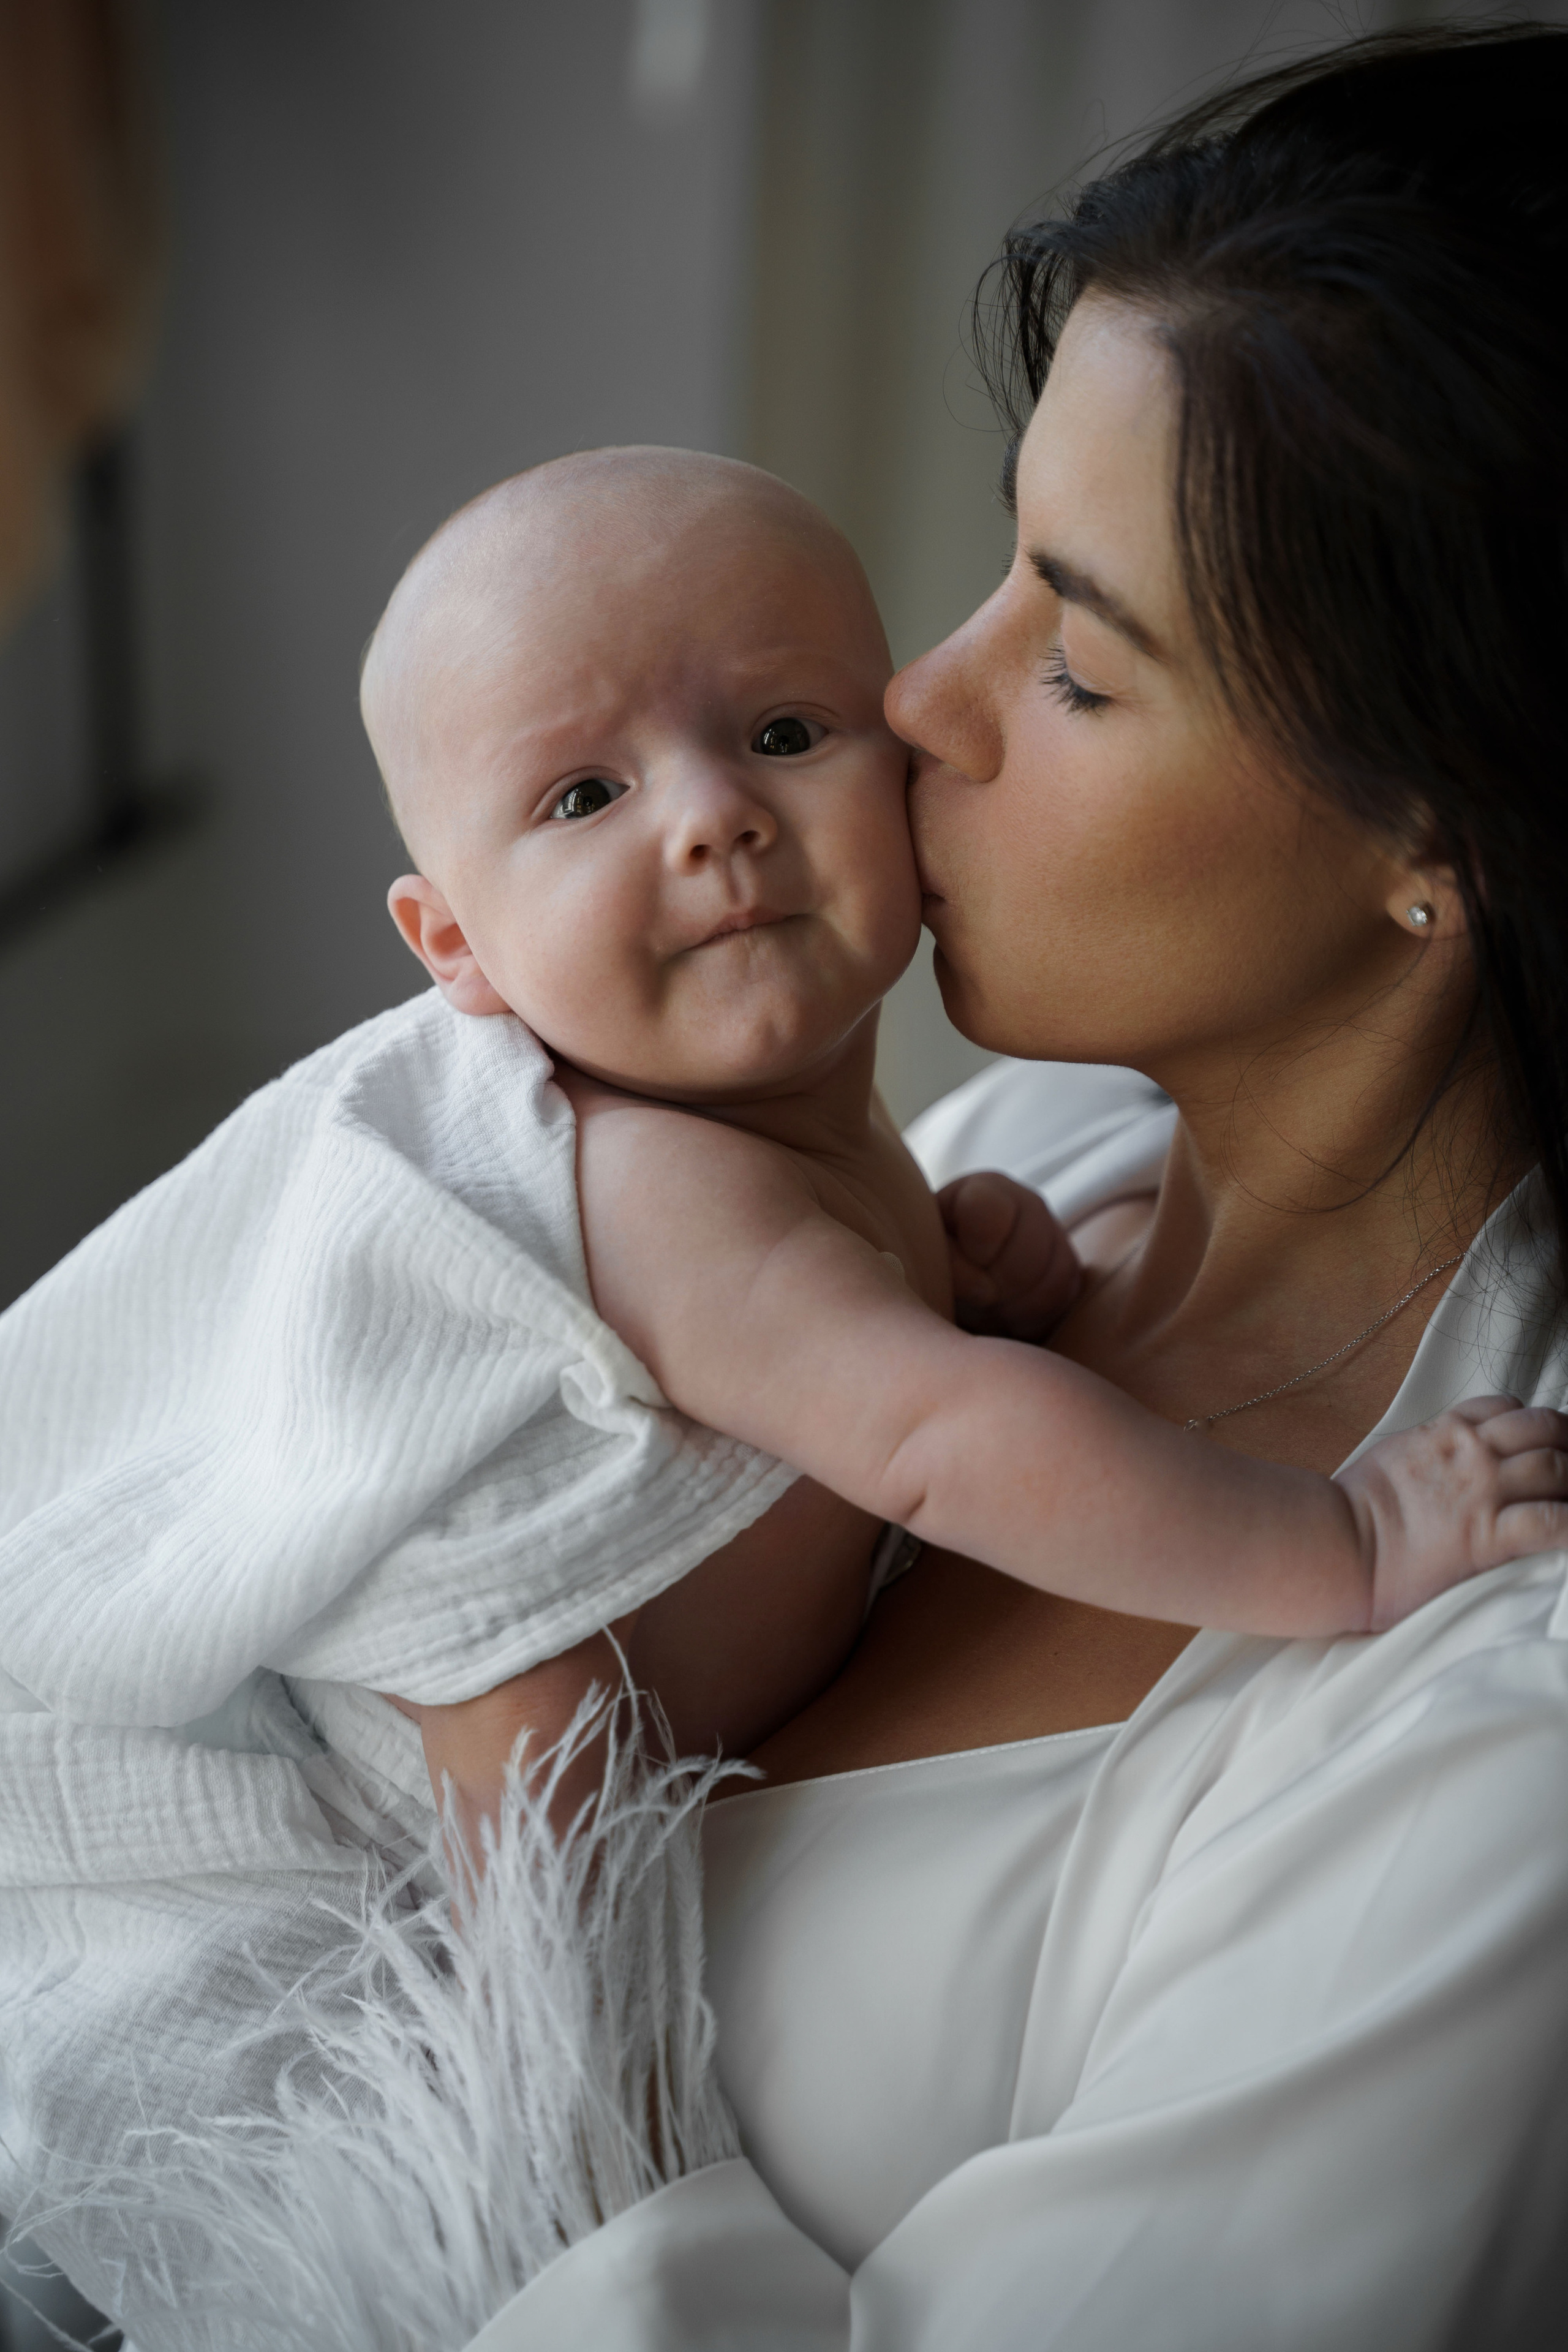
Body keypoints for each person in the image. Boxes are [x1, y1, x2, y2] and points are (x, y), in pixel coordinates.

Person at [4, 424, 1556, 2350]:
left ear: (1437, 831)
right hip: (347, 1908)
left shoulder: (1504, 1739)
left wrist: (933, 1261)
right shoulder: (668, 1183)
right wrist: (1341, 1543)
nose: (713, 819)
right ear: (454, 948)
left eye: (787, 732)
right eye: (583, 792)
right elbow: (928, 1436)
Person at [451, 21, 1568, 2351]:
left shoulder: (1500, 1741)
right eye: (998, 558)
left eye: (1077, 654)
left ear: (1432, 841)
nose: (911, 705)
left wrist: (520, 1951)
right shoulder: (995, 1180)